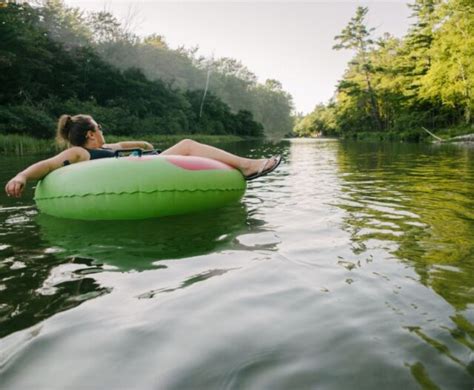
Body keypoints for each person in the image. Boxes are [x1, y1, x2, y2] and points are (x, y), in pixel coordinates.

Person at [5, 114, 282, 198]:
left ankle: (242, 166)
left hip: (148, 160)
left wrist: (145, 144)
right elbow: (49, 164)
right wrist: (22, 175)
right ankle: (247, 166)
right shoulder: (78, 153)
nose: (103, 131)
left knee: (186, 146)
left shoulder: (105, 148)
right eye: (99, 128)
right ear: (90, 134)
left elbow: (128, 143)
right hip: (140, 172)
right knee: (186, 143)